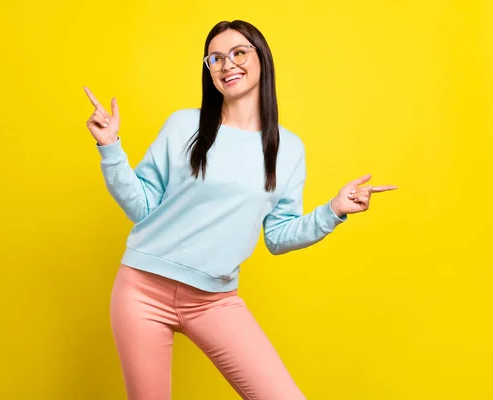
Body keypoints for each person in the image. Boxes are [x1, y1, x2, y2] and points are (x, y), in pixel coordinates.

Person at [84, 19, 397, 400]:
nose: (226, 64)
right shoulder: (184, 126)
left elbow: (278, 237)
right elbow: (143, 205)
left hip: (215, 301)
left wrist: (332, 210)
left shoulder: (289, 149)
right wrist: (111, 148)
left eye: (238, 53)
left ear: (261, 58)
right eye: (215, 58)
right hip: (142, 290)